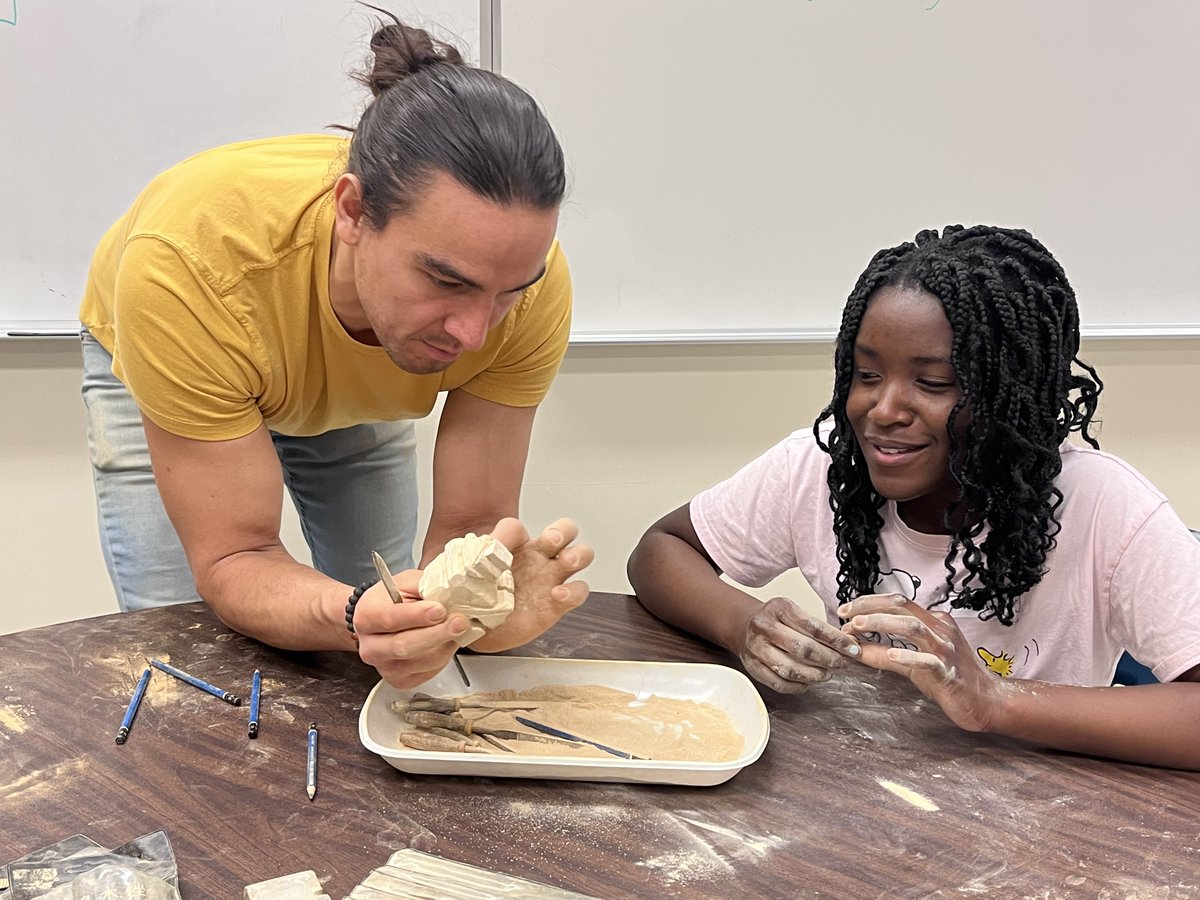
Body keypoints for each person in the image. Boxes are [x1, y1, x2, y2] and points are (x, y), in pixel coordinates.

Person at [79, 15, 591, 687]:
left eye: (507, 293)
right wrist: (352, 615)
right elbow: (235, 555)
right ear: (352, 212)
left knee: (386, 605)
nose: (474, 335)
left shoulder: (533, 288)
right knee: (183, 651)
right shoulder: (185, 267)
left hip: (349, 375)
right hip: (192, 335)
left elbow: (468, 530)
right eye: (446, 281)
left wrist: (476, 617)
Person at [628, 225, 1200, 770]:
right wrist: (745, 623)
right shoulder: (821, 467)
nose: (883, 410)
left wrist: (995, 699)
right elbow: (660, 551)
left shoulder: (1105, 506)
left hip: (1044, 806)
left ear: (1011, 394)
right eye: (866, 374)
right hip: (864, 782)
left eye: (933, 383)